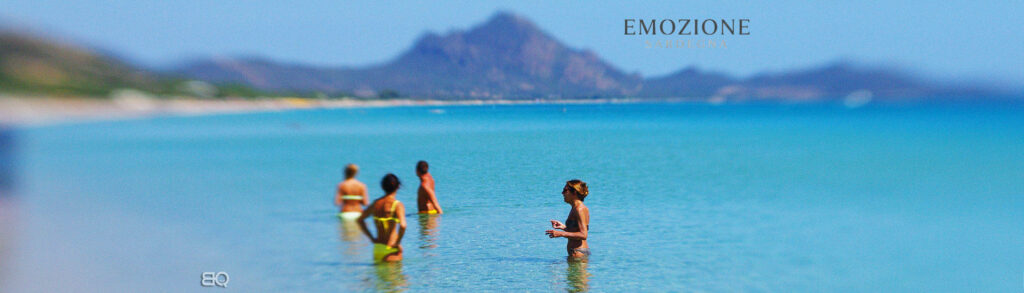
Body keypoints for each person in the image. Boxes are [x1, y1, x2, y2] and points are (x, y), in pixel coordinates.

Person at [358, 173, 407, 262]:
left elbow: (360, 220)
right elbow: (403, 225)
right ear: (398, 186)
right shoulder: (397, 205)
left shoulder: (375, 203)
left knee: (380, 276)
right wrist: (397, 243)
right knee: (398, 276)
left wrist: (371, 238)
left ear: (382, 187)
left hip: (378, 248)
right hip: (391, 249)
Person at [546, 179, 590, 258]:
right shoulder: (575, 207)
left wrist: (560, 234)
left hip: (578, 253)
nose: (562, 193)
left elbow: (583, 235)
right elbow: (577, 231)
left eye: (565, 190)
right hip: (577, 253)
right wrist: (564, 227)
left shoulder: (579, 209)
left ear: (574, 192)